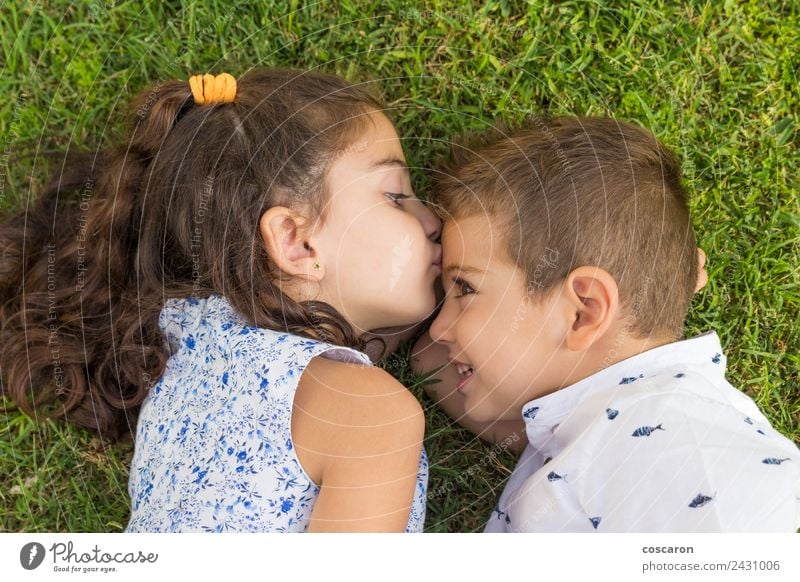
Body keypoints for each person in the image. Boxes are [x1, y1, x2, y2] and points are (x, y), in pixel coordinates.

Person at [0, 68, 443, 532]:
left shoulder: (181, 346)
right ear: (295, 242)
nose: (432, 219)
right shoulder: (369, 418)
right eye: (396, 196)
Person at [411, 116, 799, 532]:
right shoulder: (592, 416)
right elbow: (430, 362)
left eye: (465, 289)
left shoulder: (673, 431)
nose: (439, 328)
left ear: (583, 312)